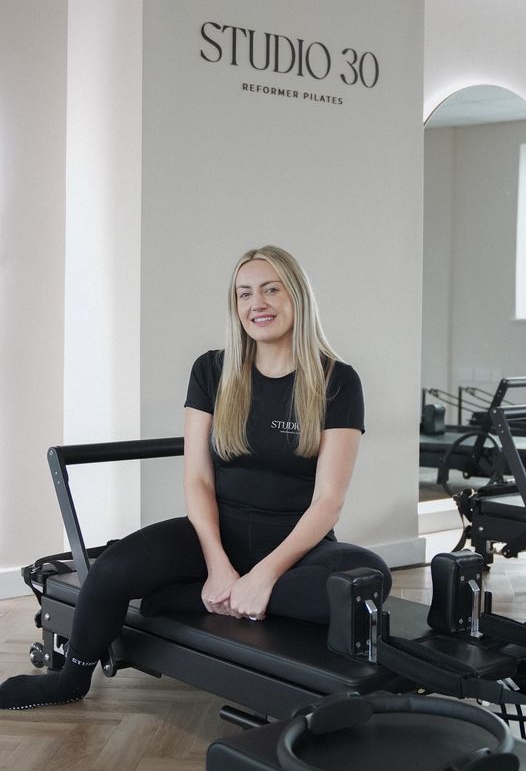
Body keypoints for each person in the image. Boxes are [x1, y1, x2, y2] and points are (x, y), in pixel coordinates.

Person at [0, 245, 391, 710]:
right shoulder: (212, 370)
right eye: (244, 294)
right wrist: (220, 565)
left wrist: (262, 577)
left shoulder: (337, 381)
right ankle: (70, 681)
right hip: (215, 532)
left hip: (297, 544)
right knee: (110, 571)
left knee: (371, 580)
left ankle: (187, 597)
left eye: (271, 289)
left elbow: (328, 500)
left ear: (298, 298)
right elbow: (198, 481)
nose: (256, 304)